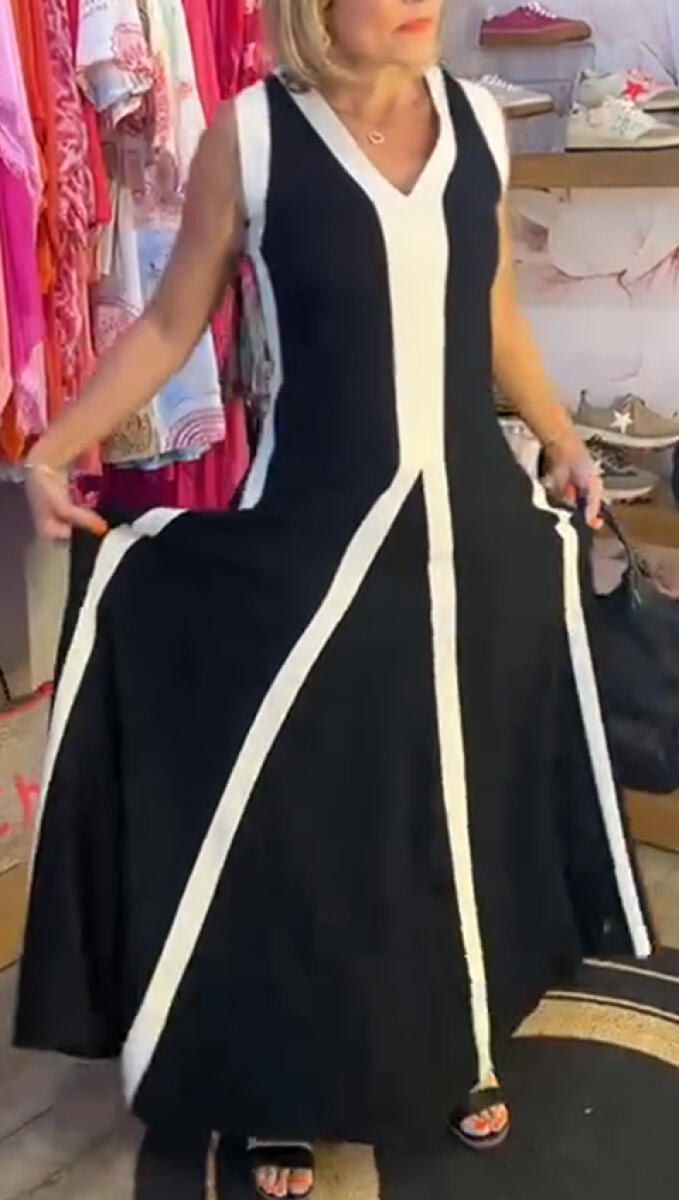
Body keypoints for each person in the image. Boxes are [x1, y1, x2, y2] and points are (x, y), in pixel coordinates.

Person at [16, 2, 653, 1197]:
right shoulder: (249, 137)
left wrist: (566, 443)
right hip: (315, 538)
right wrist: (54, 446)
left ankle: (459, 1041)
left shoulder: (479, 124)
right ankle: (279, 1081)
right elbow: (172, 320)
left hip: (467, 535)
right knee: (307, 814)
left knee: (454, 798)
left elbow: (494, 317)